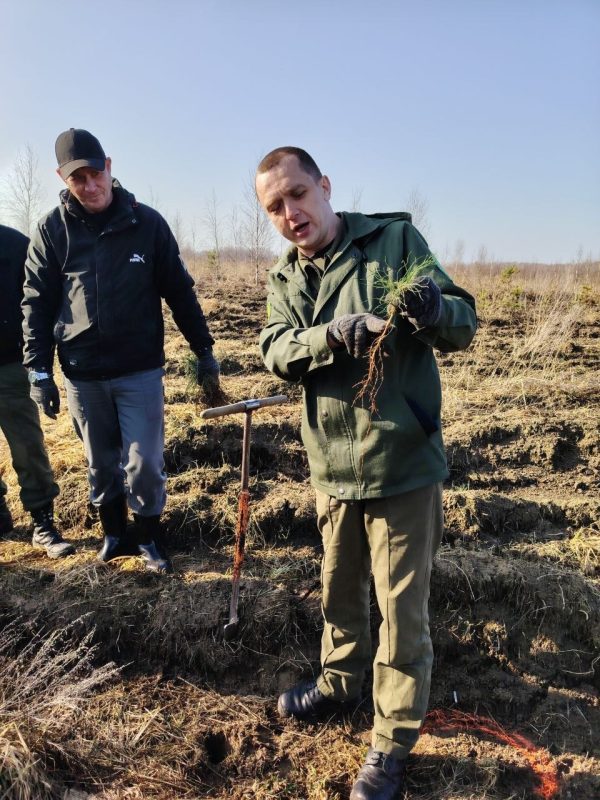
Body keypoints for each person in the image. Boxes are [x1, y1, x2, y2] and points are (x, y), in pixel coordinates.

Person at [256, 147, 477, 800]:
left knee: (402, 613)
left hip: (402, 464)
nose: (291, 213)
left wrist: (433, 310)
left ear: (324, 186)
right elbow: (273, 347)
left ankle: (391, 742)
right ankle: (338, 685)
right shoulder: (285, 281)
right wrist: (327, 336)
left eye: (298, 194)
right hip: (333, 469)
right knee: (339, 592)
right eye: (275, 206)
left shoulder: (393, 240)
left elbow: (463, 322)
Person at [22, 128, 219, 574]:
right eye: (78, 179)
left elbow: (180, 292)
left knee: (144, 462)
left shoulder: (146, 223)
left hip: (139, 370)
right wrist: (38, 370)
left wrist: (203, 350)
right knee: (99, 462)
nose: (90, 186)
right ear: (62, 178)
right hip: (82, 372)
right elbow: (35, 302)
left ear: (109, 167)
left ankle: (150, 536)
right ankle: (115, 534)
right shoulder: (53, 230)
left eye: (95, 174)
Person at [0, 224, 74, 559]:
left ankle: (43, 521)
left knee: (27, 446)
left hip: (11, 365)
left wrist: (40, 365)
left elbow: (40, 303)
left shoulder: (15, 245)